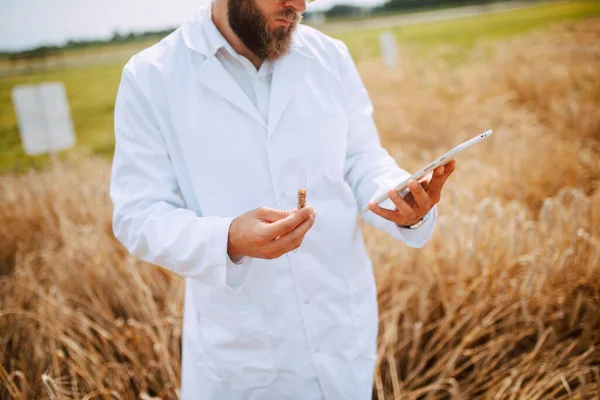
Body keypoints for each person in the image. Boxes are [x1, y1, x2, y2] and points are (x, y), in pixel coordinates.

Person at [109, 0, 455, 398]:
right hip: (242, 352)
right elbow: (137, 214)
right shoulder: (151, 77)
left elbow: (361, 157)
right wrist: (228, 237)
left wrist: (397, 198)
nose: (300, 5)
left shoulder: (328, 55)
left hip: (340, 328)